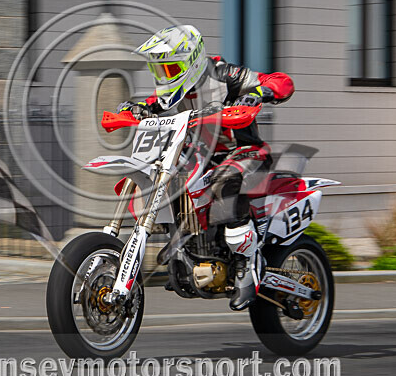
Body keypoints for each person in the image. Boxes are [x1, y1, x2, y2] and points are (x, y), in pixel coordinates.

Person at [119, 25, 295, 311]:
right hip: (200, 157)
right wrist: (134, 108)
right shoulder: (171, 95)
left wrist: (258, 93)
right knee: (167, 181)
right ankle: (187, 254)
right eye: (159, 70)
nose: (164, 77)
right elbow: (153, 105)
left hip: (243, 151)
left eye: (170, 68)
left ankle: (246, 267)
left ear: (192, 61)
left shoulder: (224, 76)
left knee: (224, 181)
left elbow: (281, 81)